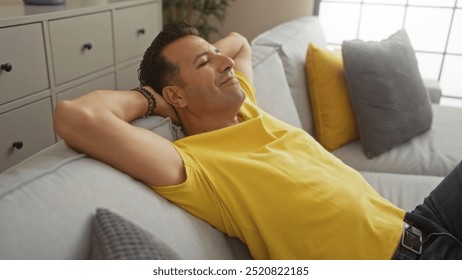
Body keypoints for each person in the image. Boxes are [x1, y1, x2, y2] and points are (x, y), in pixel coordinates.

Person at [54, 21, 462, 260]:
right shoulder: (194, 165)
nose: (225, 62)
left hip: (419, 221)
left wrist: (205, 57)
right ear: (177, 95)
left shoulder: (244, 105)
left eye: (217, 55)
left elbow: (239, 43)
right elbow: (76, 117)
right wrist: (151, 98)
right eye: (205, 63)